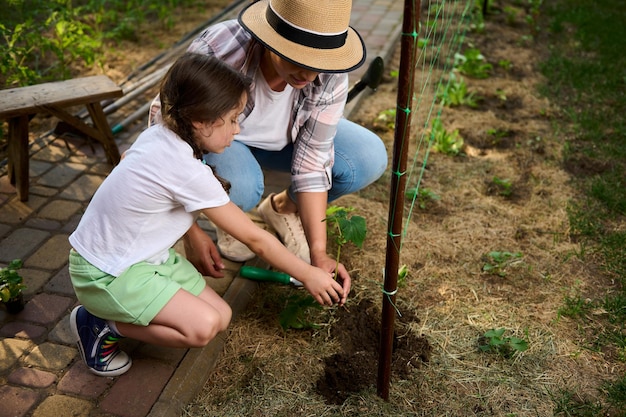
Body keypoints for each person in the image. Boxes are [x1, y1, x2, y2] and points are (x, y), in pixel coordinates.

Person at [68, 53, 347, 377]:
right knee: (201, 328)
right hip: (106, 273)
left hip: (142, 258)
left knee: (221, 316)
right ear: (200, 122)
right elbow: (256, 240)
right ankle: (99, 324)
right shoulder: (185, 170)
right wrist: (309, 273)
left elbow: (131, 163)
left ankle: (119, 312)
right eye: (231, 119)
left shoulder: (162, 133)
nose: (237, 129)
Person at [149, 0, 388, 286]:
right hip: (222, 144)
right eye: (298, 59)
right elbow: (167, 139)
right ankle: (227, 214)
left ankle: (281, 208)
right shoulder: (219, 50)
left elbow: (313, 160)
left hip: (287, 139)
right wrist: (190, 232)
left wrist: (319, 253)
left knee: (368, 157)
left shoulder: (329, 71)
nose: (309, 75)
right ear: (271, 38)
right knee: (243, 187)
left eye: (318, 65)